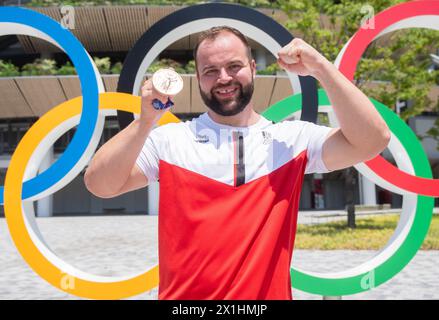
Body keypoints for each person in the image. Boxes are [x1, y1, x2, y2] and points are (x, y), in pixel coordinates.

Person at [84, 26, 390, 299]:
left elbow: (374, 139)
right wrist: (145, 122)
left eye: (234, 66)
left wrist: (322, 69)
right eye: (211, 71)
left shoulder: (292, 139)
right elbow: (100, 184)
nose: (224, 78)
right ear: (198, 79)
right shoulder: (169, 140)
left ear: (253, 68)